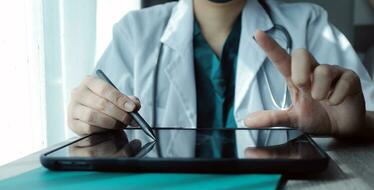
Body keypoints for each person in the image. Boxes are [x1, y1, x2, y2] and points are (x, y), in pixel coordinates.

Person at [67, 0, 374, 157]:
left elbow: (367, 114)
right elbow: (98, 126)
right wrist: (90, 116)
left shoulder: (308, 23)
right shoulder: (134, 33)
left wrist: (357, 125)